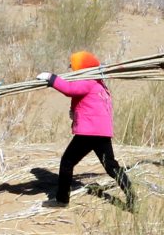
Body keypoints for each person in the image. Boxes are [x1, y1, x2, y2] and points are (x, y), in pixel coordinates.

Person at [38, 51, 135, 209]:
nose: (71, 69)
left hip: (89, 132)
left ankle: (61, 200)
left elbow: (69, 89)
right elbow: (88, 102)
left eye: (73, 66)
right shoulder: (99, 83)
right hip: (102, 132)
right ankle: (132, 196)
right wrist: (75, 113)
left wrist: (51, 78)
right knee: (111, 166)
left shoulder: (88, 80)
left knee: (67, 162)